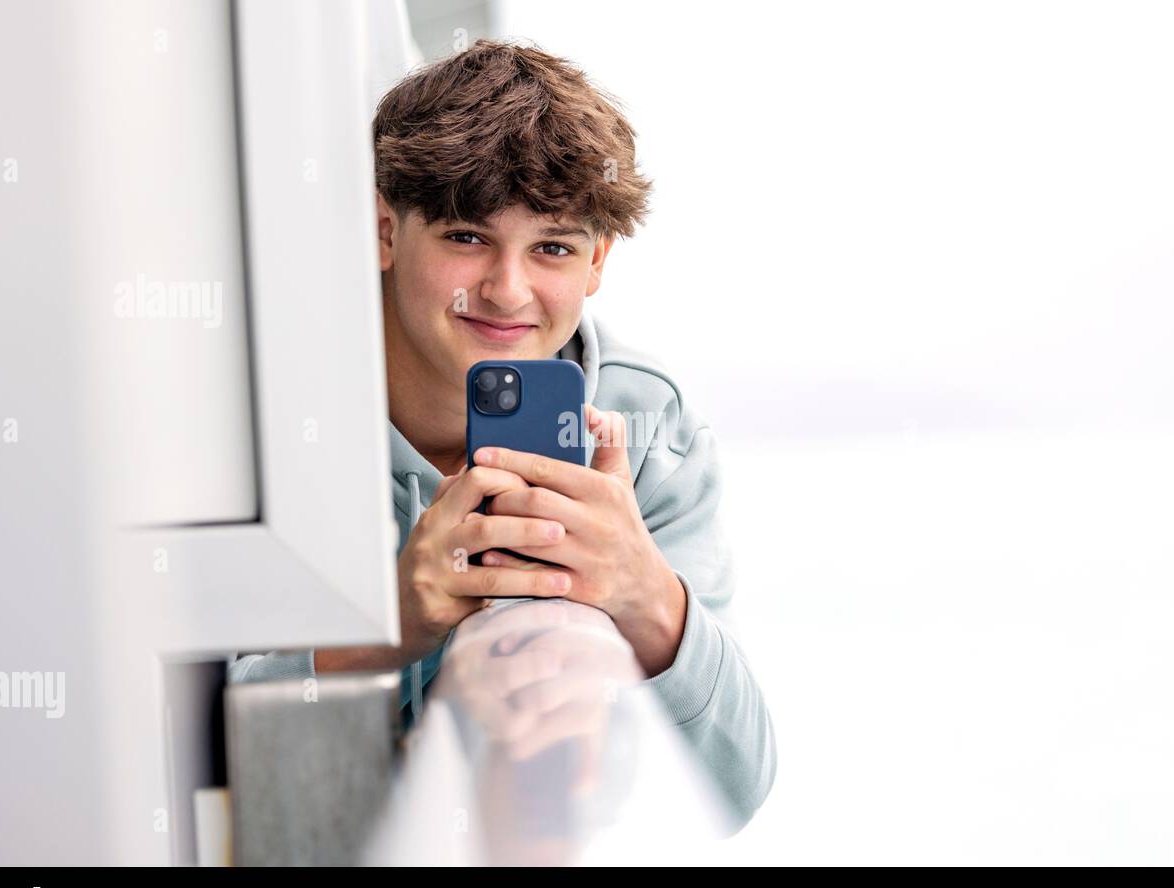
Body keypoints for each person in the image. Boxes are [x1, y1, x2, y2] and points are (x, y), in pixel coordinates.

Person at [231, 39, 776, 825]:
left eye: (552, 247)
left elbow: (737, 788)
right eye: (466, 237)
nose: (507, 290)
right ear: (384, 229)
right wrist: (391, 624)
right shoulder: (271, 414)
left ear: (598, 262)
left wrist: (644, 591)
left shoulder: (648, 427)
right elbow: (189, 770)